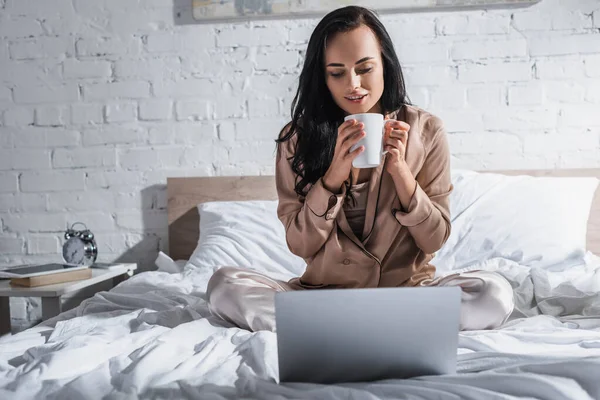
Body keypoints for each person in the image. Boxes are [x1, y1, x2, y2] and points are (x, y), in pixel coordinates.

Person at [206, 6, 514, 332]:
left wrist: (401, 174)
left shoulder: (425, 131)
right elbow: (300, 244)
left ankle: (337, 328)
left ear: (385, 65)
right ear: (322, 78)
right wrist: (333, 177)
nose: (354, 84)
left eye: (365, 68)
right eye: (337, 73)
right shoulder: (297, 139)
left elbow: (434, 238)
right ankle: (376, 326)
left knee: (495, 295)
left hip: (406, 295)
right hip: (323, 297)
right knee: (224, 287)